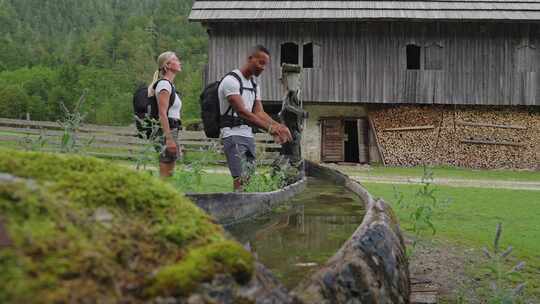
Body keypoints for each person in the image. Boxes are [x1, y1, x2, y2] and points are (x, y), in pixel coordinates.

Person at [218, 45, 292, 191]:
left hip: (248, 136)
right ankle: (238, 208)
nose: (263, 68)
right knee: (240, 178)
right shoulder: (230, 81)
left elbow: (259, 113)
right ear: (250, 59)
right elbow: (242, 112)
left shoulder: (254, 85)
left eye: (265, 65)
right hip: (232, 135)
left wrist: (279, 126)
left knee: (249, 178)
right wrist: (271, 129)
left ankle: (245, 208)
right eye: (260, 62)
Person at [148, 51, 183, 178]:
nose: (179, 62)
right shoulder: (164, 85)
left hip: (172, 130)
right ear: (167, 65)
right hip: (166, 132)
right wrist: (169, 139)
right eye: (176, 59)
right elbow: (162, 114)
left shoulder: (170, 85)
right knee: (165, 173)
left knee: (169, 173)